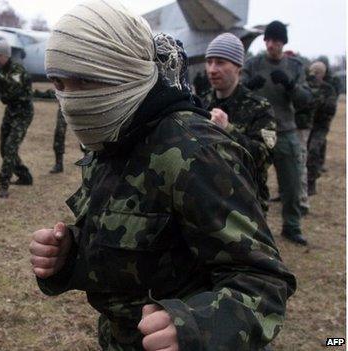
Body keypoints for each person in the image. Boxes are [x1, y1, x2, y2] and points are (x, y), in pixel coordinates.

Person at [29, 2, 296, 350]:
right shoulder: (110, 134)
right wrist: (70, 253)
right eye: (58, 83)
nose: (70, 99)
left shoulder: (194, 151)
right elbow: (137, 239)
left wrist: (195, 328)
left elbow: (264, 282)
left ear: (124, 73)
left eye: (84, 80)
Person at [242, 21, 312, 245]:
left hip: (285, 131)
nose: (271, 44)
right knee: (251, 182)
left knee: (291, 185)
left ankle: (291, 226)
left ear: (284, 42)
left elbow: (307, 101)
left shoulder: (295, 66)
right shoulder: (253, 64)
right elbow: (238, 90)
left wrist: (291, 85)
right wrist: (249, 86)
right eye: (268, 40)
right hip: (258, 130)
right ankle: (252, 227)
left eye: (276, 41)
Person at [202, 33, 277, 213]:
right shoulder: (201, 103)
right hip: (207, 201)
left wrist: (228, 130)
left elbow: (263, 157)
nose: (212, 69)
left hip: (246, 205)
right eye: (209, 61)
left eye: (220, 62)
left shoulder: (259, 108)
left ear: (238, 68)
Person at [0, 40, 34, 198]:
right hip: (11, 111)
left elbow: (11, 93)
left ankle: (3, 184)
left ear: (6, 55)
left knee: (10, 148)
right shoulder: (3, 71)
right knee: (4, 148)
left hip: (23, 113)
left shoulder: (16, 71)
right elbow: (1, 95)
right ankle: (24, 176)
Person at [306, 61, 338, 195]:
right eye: (313, 72)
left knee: (313, 150)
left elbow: (331, 108)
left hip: (320, 126)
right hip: (305, 125)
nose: (315, 75)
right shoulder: (305, 86)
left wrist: (317, 99)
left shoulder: (328, 89)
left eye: (318, 72)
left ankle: (311, 183)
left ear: (323, 74)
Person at [50, 106, 66, 173]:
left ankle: (89, 161)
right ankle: (59, 163)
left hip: (82, 103)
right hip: (65, 104)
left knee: (84, 132)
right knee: (59, 133)